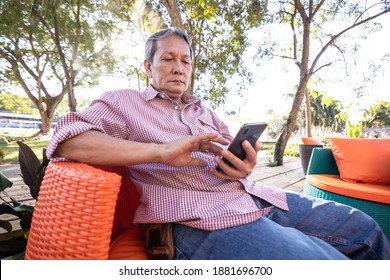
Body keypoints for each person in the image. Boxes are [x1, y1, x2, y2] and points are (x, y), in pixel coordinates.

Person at [46, 27, 390, 260]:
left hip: (255, 196)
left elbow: (231, 154)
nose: (179, 67)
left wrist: (242, 163)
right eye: (168, 59)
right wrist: (160, 151)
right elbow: (65, 139)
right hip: (195, 217)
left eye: (185, 60)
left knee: (367, 228)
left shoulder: (204, 112)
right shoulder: (124, 102)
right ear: (148, 66)